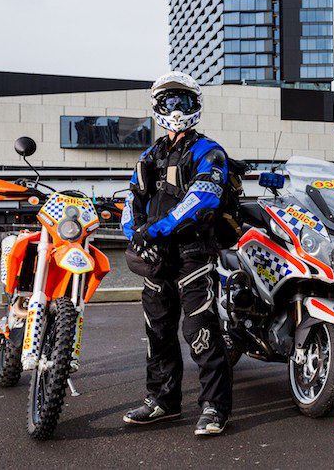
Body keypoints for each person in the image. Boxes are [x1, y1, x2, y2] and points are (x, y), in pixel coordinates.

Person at [121, 71, 234, 435]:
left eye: (183, 101)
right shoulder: (149, 155)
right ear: (157, 107)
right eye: (169, 101)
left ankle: (215, 407)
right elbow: (131, 202)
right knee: (158, 332)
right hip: (156, 257)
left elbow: (203, 198)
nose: (176, 108)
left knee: (200, 330)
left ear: (195, 105)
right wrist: (137, 237)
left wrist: (155, 231)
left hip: (193, 254)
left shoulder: (208, 150)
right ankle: (163, 402)